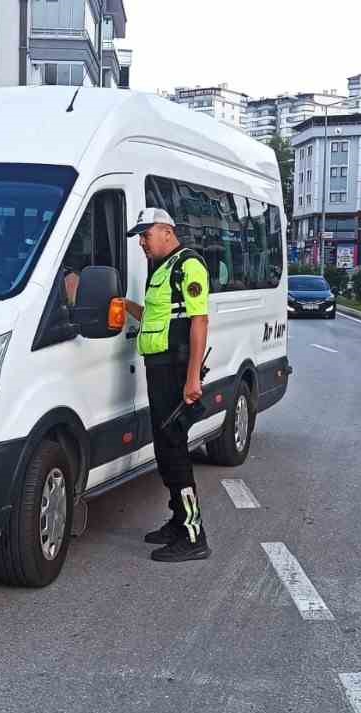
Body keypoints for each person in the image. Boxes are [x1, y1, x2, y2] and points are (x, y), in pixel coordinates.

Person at [122, 208, 211, 563]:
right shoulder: (161, 269)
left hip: (176, 372)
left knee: (175, 452)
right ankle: (178, 521)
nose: (142, 242)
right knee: (164, 450)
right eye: (140, 236)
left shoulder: (188, 265)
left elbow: (198, 321)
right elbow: (158, 318)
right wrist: (127, 306)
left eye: (146, 234)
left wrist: (192, 378)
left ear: (167, 231)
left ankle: (193, 535)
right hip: (158, 369)